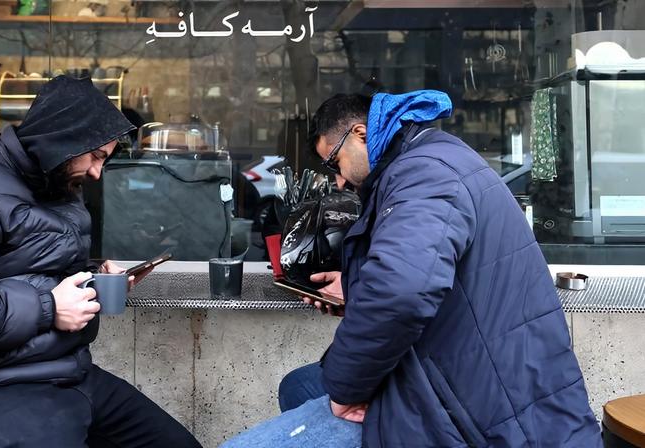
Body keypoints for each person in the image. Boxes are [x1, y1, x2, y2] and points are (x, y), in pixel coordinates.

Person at [221, 92, 601, 447]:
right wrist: (355, 287)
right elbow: (427, 273)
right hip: (467, 369)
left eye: (334, 163)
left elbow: (400, 293)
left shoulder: (424, 174)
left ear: (360, 133)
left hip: (481, 414)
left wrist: (346, 393)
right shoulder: (427, 159)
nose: (338, 180)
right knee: (300, 385)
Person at [0, 76, 202, 448]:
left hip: (63, 372)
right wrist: (49, 307)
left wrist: (92, 279)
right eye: (96, 156)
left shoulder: (56, 182)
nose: (97, 173)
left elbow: (32, 266)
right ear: (63, 140)